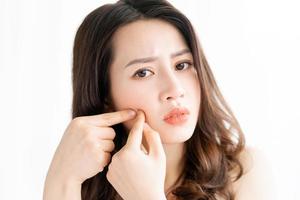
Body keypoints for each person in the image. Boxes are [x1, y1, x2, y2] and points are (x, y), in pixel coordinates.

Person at [43, 0, 274, 199]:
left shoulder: (243, 173)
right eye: (143, 72)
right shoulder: (81, 184)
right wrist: (62, 180)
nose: (175, 89)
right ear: (105, 95)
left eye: (182, 65)